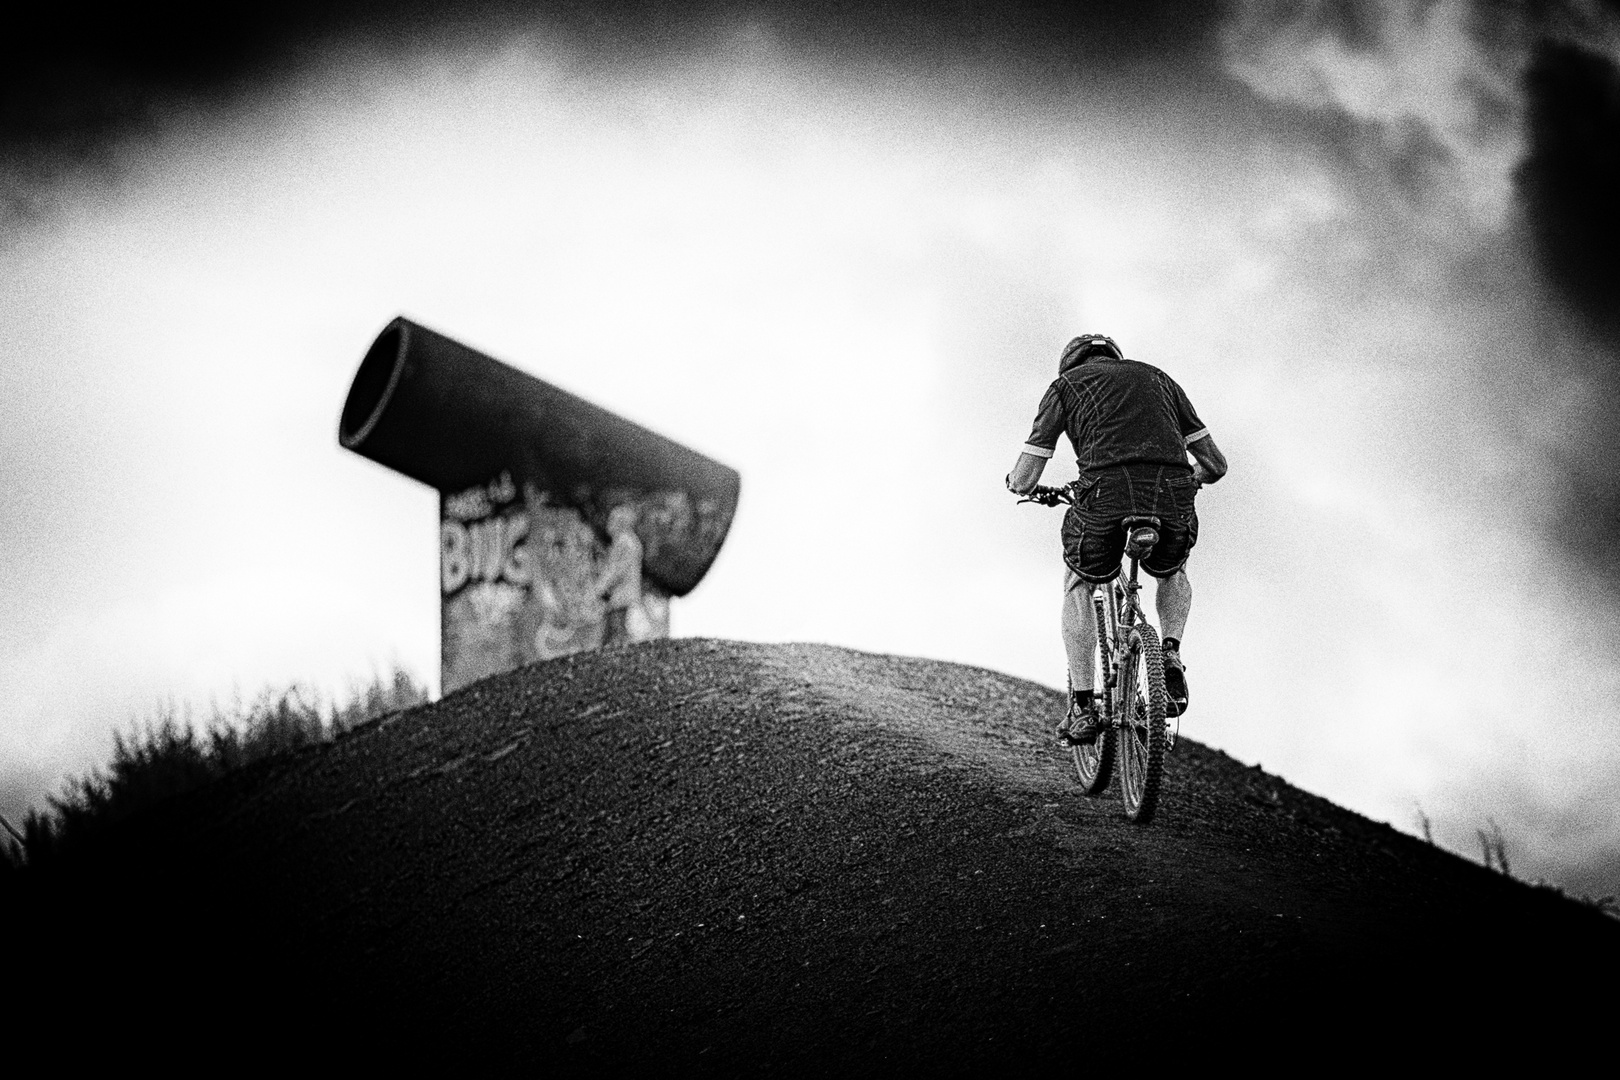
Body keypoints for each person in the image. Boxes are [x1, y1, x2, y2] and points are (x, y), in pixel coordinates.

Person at [1007, 334, 1227, 746]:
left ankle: (1083, 706)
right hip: (1171, 493)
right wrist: (1188, 480)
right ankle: (1171, 651)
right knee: (1172, 571)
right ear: (1114, 357)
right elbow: (1216, 464)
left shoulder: (1065, 387)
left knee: (1078, 582)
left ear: (1071, 364)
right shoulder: (1161, 380)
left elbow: (1024, 477)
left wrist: (1019, 486)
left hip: (1104, 497)